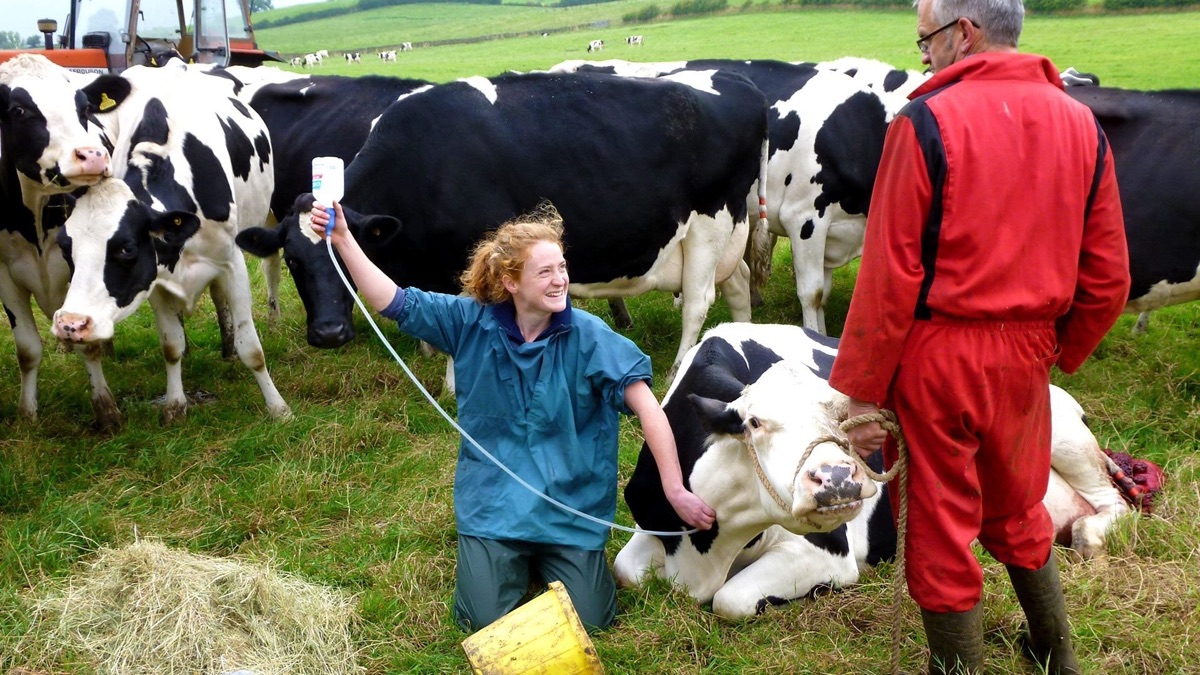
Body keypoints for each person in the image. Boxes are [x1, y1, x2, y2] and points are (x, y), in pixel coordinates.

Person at [828, 0, 1130, 673]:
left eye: (926, 40)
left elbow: (888, 276)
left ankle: (957, 666)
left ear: (964, 32)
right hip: (1027, 354)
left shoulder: (924, 122)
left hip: (942, 354)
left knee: (940, 522)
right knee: (1019, 499)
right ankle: (1057, 652)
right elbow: (1109, 275)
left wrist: (860, 396)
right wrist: (1059, 349)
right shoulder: (1082, 123)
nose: (924, 56)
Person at [310, 201, 716, 633]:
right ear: (510, 281)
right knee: (481, 621)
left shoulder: (591, 337)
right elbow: (392, 301)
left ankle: (549, 564)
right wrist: (344, 240)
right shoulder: (468, 322)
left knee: (593, 621)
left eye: (561, 267)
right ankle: (506, 564)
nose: (560, 279)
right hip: (494, 507)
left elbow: (648, 408)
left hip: (569, 510)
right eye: (545, 272)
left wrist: (675, 489)